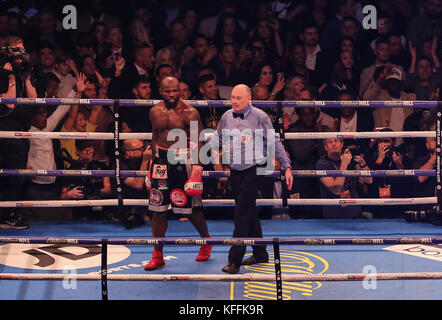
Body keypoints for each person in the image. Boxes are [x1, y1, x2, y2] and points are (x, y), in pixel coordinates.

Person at [211, 84, 293, 274]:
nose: (234, 101)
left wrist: (287, 166)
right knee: (248, 210)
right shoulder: (226, 117)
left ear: (249, 99)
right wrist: (214, 159)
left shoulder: (260, 117)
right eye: (232, 97)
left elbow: (274, 141)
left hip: (256, 168)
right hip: (235, 170)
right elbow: (217, 140)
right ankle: (260, 253)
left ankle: (234, 260)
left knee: (241, 213)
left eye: (238, 98)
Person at [144, 76, 213, 271]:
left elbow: (199, 140)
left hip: (183, 161)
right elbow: (155, 136)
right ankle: (157, 255)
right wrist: (152, 164)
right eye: (168, 91)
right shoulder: (154, 111)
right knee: (157, 209)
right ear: (161, 91)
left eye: (175, 91)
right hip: (161, 161)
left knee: (190, 209)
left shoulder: (189, 112)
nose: (172, 95)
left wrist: (197, 170)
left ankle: (206, 241)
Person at [316, 135, 372, 219]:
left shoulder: (349, 158)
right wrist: (344, 164)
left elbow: (369, 180)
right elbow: (336, 190)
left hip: (354, 214)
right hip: (333, 217)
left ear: (342, 144)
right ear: (325, 147)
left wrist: (362, 163)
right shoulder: (322, 164)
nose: (334, 144)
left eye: (336, 141)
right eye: (330, 142)